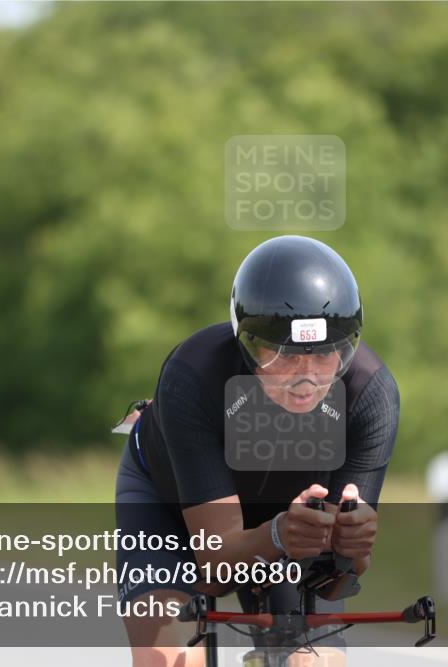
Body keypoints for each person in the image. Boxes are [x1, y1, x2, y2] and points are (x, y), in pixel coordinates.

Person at [115, 235, 400, 666]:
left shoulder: (370, 395)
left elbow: (336, 581)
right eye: (284, 355)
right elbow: (214, 559)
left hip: (292, 527)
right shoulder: (192, 376)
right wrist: (277, 534)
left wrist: (353, 550)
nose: (306, 376)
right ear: (248, 343)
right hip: (172, 508)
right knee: (170, 658)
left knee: (316, 663)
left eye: (325, 355)